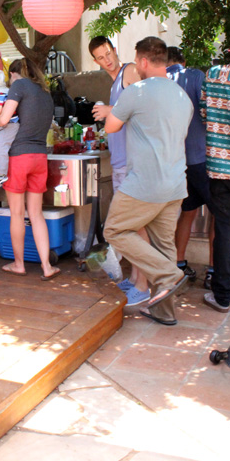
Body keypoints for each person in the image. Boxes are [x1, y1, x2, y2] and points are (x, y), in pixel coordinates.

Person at [104, 37, 192, 326]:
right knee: (163, 245)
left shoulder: (136, 91)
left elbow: (111, 126)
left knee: (115, 230)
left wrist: (117, 111)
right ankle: (163, 313)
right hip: (176, 184)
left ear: (142, 61)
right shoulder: (182, 96)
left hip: (144, 185)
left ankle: (168, 275)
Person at [90, 36, 149, 301]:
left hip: (132, 162)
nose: (107, 59)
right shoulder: (115, 82)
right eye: (101, 57)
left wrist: (110, 110)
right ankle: (136, 279)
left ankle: (143, 287)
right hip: (120, 163)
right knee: (130, 226)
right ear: (96, 61)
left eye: (108, 53)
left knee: (137, 226)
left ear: (115, 50)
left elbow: (146, 105)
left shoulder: (130, 72)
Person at [0, 59, 60, 280]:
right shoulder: (45, 94)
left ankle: (19, 264)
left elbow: (3, 119)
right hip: (40, 157)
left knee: (17, 214)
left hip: (19, 157)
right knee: (37, 214)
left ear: (14, 74)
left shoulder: (19, 86)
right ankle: (47, 266)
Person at [165, 47, 213, 283]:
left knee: (187, 212)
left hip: (176, 162)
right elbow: (208, 113)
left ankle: (180, 264)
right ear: (183, 61)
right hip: (201, 157)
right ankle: (214, 270)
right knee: (217, 214)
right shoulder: (195, 76)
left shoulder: (160, 83)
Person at [202, 33, 230, 313]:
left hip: (219, 168)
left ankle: (223, 296)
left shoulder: (213, 75)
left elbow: (204, 115)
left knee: (224, 231)